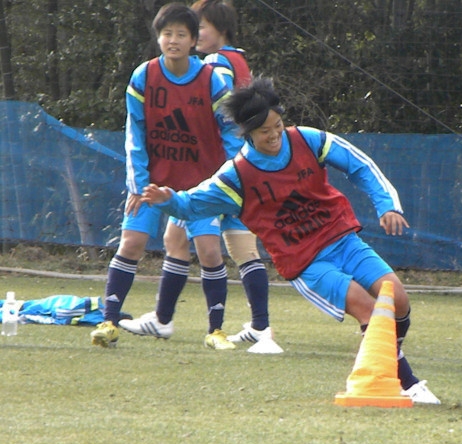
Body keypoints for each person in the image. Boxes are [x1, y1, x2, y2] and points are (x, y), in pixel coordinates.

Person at [140, 77, 441, 404]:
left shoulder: (309, 140)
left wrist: (386, 206)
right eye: (264, 131)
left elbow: (361, 167)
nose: (274, 136)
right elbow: (192, 204)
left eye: (278, 126)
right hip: (307, 263)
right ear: (248, 133)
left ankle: (388, 356)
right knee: (369, 310)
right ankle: (409, 384)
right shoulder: (237, 176)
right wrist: (166, 199)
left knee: (397, 299)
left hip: (343, 241)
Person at [91, 3, 242, 350]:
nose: (172, 40)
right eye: (167, 33)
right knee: (132, 243)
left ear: (193, 41)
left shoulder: (212, 79)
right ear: (158, 37)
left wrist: (227, 182)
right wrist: (137, 184)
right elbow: (135, 133)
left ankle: (215, 331)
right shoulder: (144, 76)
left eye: (181, 34)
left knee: (208, 251)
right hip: (152, 182)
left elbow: (232, 135)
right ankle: (109, 323)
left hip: (200, 186)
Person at [189, 0, 276, 349]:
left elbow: (223, 112)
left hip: (226, 167)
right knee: (242, 247)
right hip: (246, 164)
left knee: (183, 241)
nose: (196, 35)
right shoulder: (239, 58)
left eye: (201, 28)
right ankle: (260, 327)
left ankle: (163, 318)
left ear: (220, 29)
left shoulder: (215, 63)